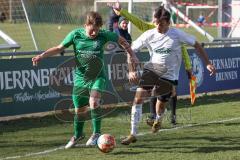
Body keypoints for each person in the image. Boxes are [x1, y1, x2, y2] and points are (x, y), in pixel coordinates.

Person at [32, 11, 138, 149]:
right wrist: (42, 56)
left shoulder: (104, 34)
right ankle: (78, 135)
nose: (95, 33)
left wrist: (132, 54)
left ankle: (96, 133)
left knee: (93, 102)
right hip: (80, 79)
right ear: (85, 25)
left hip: (98, 77)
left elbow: (122, 41)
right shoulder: (75, 35)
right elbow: (59, 48)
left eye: (97, 29)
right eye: (92, 29)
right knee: (79, 111)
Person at [111, 5, 215, 145]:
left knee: (160, 105)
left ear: (168, 22)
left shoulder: (177, 34)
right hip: (152, 69)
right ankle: (133, 133)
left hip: (169, 75)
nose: (157, 26)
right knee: (138, 98)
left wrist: (207, 63)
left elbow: (197, 45)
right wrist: (131, 70)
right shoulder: (150, 34)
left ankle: (158, 119)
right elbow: (130, 49)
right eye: (155, 22)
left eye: (160, 23)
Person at [109, 1, 193, 126]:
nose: (156, 22)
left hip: (171, 67)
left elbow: (183, 48)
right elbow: (138, 22)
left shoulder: (174, 34)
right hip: (155, 66)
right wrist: (122, 11)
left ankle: (173, 115)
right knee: (154, 89)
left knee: (172, 91)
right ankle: (153, 115)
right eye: (155, 19)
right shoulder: (151, 28)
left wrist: (188, 66)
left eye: (158, 19)